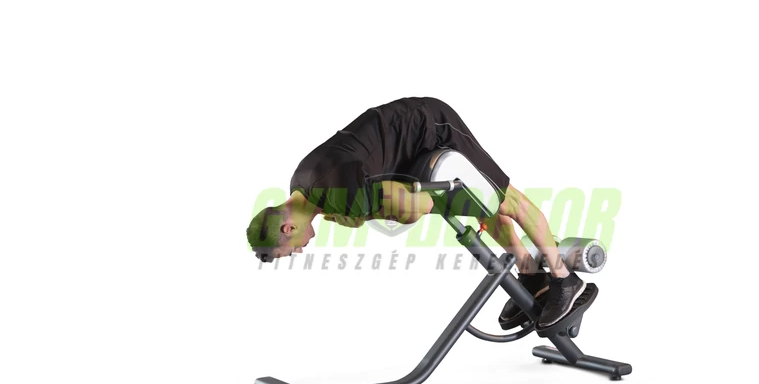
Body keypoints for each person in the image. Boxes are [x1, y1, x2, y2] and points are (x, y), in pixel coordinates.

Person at [246, 97, 584, 330]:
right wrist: (363, 213)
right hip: (404, 147)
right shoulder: (301, 183)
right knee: (480, 202)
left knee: (506, 200)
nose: (300, 250)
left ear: (288, 228)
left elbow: (419, 208)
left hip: (429, 126)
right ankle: (531, 276)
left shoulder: (340, 195)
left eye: (291, 250)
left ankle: (564, 279)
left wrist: (366, 215)